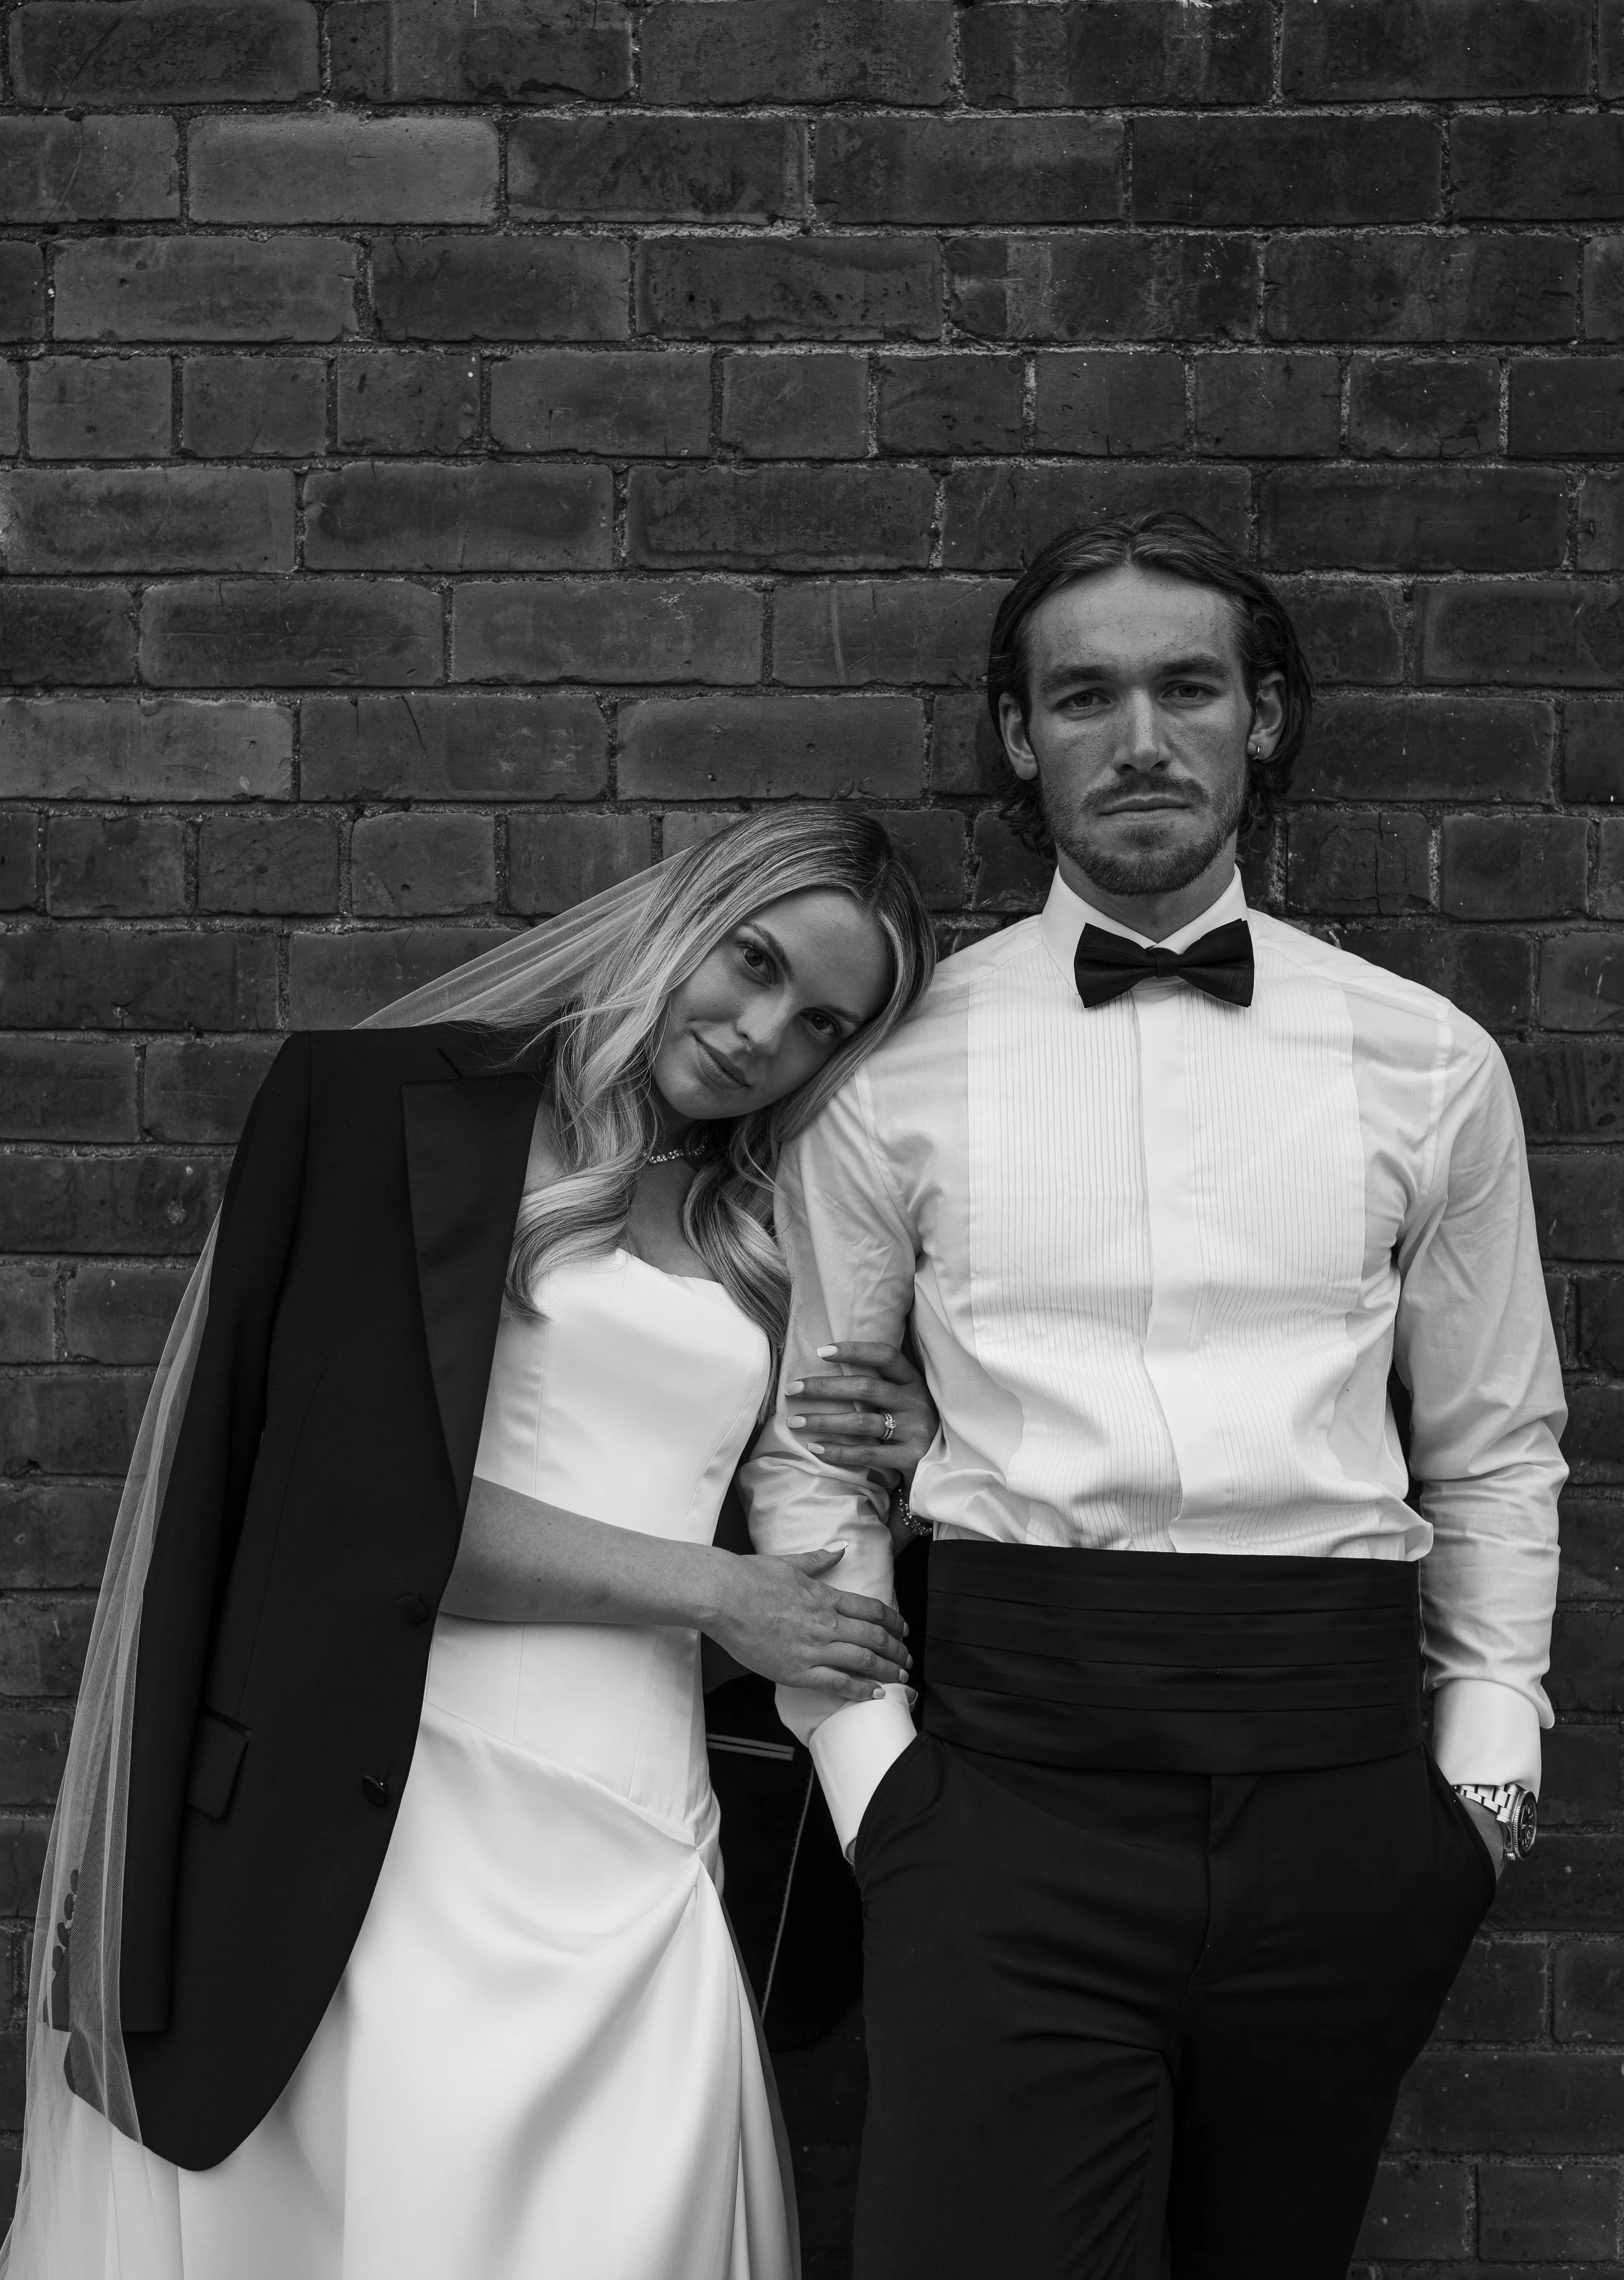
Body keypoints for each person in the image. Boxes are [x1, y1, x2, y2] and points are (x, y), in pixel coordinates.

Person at [741, 512, 1566, 2280]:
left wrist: (1481, 1776)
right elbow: (813, 1455)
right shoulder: (894, 1073)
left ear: (1259, 720)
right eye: (1082, 693)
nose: (1137, 738)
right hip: (1006, 1782)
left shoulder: (1427, 1059)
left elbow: (1495, 1443)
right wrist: (878, 1784)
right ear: (1014, 736)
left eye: (1186, 687)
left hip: (1341, 1785)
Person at [6, 806, 941, 2280]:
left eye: (820, 1022)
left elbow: (803, 1514)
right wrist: (712, 1592)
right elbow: (344, 1507)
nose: (763, 1031)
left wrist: (909, 1454)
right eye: (749, 963)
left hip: (639, 1838)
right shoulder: (380, 1112)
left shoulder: (775, 1228)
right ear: (680, 918)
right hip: (373, 1826)